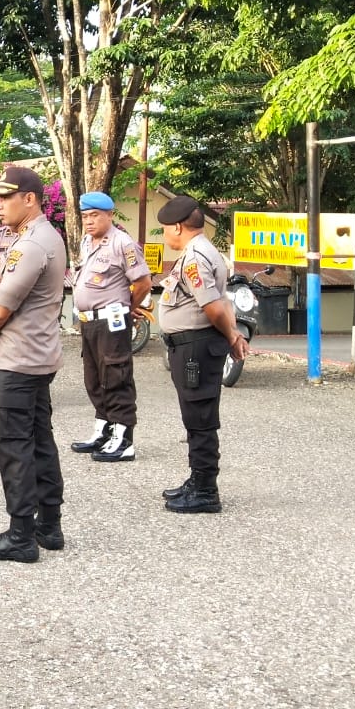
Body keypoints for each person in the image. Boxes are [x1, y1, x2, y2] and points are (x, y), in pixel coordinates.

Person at [0, 167, 67, 563]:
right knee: (40, 440)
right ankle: (49, 525)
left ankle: (21, 536)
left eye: (4, 198)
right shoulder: (50, 237)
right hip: (38, 357)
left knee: (14, 446)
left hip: (17, 363)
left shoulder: (29, 246)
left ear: (29, 199)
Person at [156, 194, 249, 513]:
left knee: (200, 418)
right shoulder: (206, 251)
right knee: (196, 416)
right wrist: (232, 334)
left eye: (166, 228)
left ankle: (206, 490)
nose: (165, 234)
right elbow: (221, 300)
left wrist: (231, 334)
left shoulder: (195, 256)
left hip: (195, 346)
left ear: (179, 227)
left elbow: (212, 306)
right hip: (193, 345)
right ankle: (198, 480)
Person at [68, 191, 152, 462]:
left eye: (95, 215)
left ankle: (123, 440)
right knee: (94, 378)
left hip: (112, 321)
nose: (89, 221)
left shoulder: (122, 243)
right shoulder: (87, 242)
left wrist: (126, 306)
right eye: (85, 216)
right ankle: (103, 431)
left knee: (116, 377)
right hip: (90, 322)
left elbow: (143, 283)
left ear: (110, 215)